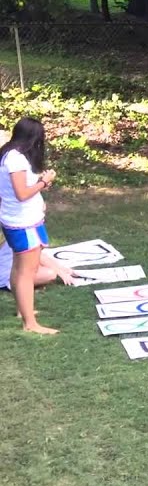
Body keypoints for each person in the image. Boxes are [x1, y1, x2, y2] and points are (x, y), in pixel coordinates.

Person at [0, 117, 60, 334]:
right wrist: (44, 182)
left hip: (21, 219)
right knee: (26, 272)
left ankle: (22, 310)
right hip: (22, 222)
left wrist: (38, 181)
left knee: (18, 268)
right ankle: (30, 324)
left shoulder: (9, 154)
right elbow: (22, 194)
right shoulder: (15, 160)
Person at [0, 243, 78, 292]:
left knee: (43, 267)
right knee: (50, 274)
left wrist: (62, 268)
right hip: (7, 276)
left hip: (12, 267)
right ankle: (21, 286)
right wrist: (61, 273)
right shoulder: (24, 232)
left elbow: (39, 255)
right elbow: (39, 257)